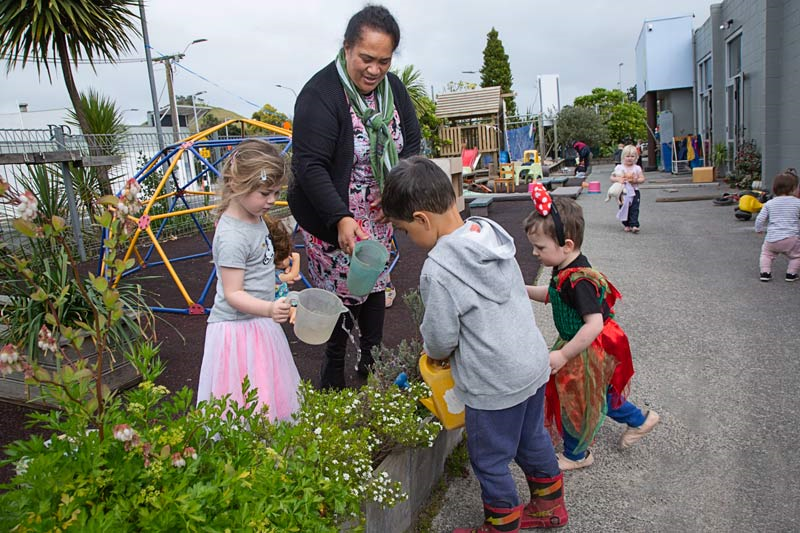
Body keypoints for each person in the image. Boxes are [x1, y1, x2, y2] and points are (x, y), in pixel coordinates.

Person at [382, 156, 568, 532]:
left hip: (492, 382)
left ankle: (503, 523)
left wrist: (433, 356)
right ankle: (550, 506)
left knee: (489, 458)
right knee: (531, 437)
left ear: (422, 220)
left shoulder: (439, 269)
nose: (409, 238)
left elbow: (441, 337)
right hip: (533, 364)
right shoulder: (490, 235)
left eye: (404, 230)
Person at [289, 4, 421, 389]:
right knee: (339, 293)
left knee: (376, 282)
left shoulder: (393, 89)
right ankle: (332, 373)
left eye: (384, 60)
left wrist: (395, 190)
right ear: (347, 47)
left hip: (378, 211)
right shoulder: (320, 94)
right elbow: (309, 166)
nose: (375, 69)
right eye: (366, 58)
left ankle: (369, 365)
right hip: (329, 211)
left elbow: (411, 142)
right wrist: (341, 218)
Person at [524, 185, 659, 471]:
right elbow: (553, 295)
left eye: (540, 248)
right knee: (599, 392)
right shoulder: (563, 271)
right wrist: (523, 290)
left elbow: (594, 323)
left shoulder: (579, 280)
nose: (535, 253)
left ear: (567, 245)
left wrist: (563, 355)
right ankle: (640, 419)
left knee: (579, 396)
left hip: (585, 345)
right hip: (579, 342)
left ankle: (577, 455)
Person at [197, 139, 300, 421]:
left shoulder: (254, 218)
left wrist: (275, 280)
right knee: (247, 404)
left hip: (258, 325)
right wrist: (268, 308)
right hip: (238, 332)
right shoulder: (232, 236)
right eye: (265, 193)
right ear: (237, 185)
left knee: (268, 396)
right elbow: (233, 293)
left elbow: (254, 268)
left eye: (276, 192)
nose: (272, 200)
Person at [755, 169, 800, 282]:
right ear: (793, 189)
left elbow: (760, 218)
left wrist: (758, 229)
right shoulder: (797, 203)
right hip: (791, 238)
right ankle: (791, 274)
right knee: (796, 256)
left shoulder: (769, 203)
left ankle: (765, 273)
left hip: (772, 238)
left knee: (766, 254)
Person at [610, 144, 645, 233]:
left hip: (634, 191)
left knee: (634, 208)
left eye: (632, 156)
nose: (630, 158)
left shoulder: (637, 168)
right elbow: (612, 178)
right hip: (623, 192)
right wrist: (618, 179)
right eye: (627, 156)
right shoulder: (619, 167)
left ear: (636, 157)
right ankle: (626, 224)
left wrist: (635, 180)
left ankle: (634, 224)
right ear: (623, 157)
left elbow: (642, 179)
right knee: (623, 207)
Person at [263, 217, 301, 298]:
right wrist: (296, 259)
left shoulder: (266, 267)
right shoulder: (274, 274)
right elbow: (293, 275)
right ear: (281, 262)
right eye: (288, 255)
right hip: (278, 302)